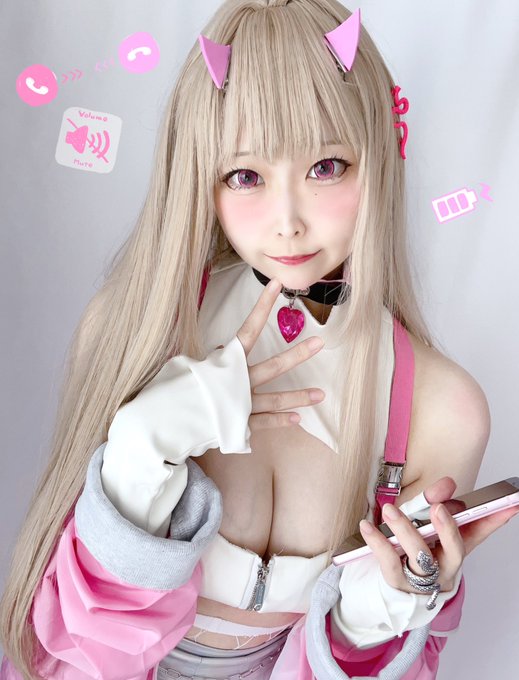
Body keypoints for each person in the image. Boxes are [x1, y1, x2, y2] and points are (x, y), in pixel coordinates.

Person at [1, 1, 517, 678]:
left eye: (326, 166)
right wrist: (139, 453)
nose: (287, 222)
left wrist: (377, 615)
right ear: (201, 178)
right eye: (245, 176)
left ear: (377, 159)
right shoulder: (132, 332)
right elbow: (73, 651)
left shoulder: (441, 407)